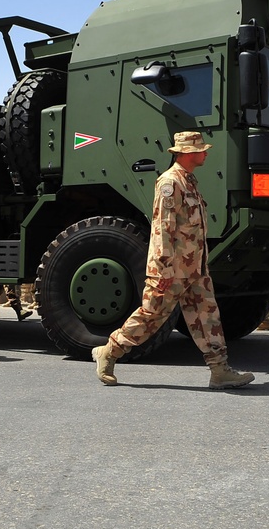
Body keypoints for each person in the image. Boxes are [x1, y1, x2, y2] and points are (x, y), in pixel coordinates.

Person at [91, 131, 253, 389]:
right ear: (188, 153)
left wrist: (201, 265)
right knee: (151, 316)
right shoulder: (170, 182)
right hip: (171, 269)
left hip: (194, 269)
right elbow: (163, 229)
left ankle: (219, 370)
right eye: (202, 149)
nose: (206, 153)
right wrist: (163, 270)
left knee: (207, 317)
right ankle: (109, 352)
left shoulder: (190, 181)